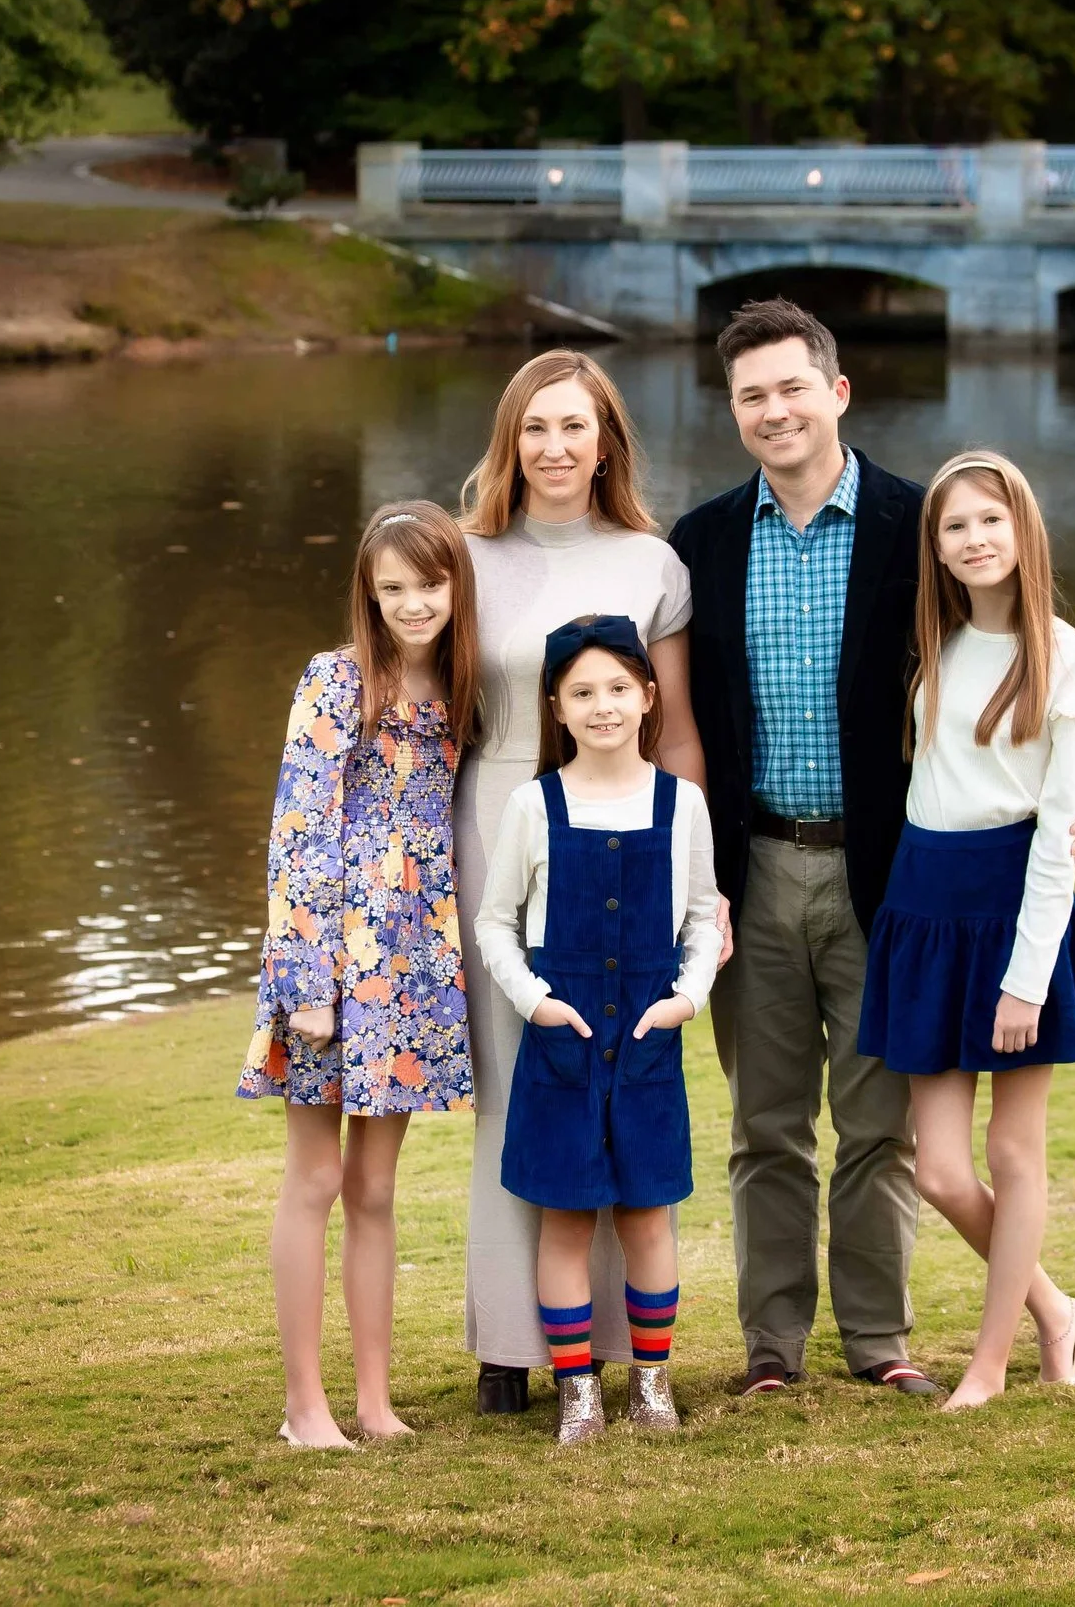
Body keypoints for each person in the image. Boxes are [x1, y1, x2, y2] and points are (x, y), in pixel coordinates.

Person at [669, 299, 1075, 1398]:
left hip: (887, 876)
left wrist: (1059, 797)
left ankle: (878, 1343)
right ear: (734, 410)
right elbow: (681, 718)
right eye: (751, 395)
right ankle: (770, 1351)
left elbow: (1019, 652)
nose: (773, 410)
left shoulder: (920, 524)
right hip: (750, 867)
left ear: (836, 391)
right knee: (765, 1125)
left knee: (877, 1126)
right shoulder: (702, 541)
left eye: (791, 387)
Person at [455, 350, 712, 1415]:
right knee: (522, 1089)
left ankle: (617, 1353)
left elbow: (681, 731)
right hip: (501, 822)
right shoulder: (463, 557)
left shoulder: (653, 563)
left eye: (575, 426)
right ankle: (511, 1344)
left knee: (622, 1081)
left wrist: (705, 889)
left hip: (635, 834)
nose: (555, 448)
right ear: (509, 442)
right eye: (534, 428)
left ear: (606, 438)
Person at [858, 450, 1075, 1410]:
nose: (974, 541)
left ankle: (989, 1364)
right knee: (936, 1169)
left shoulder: (1069, 660)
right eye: (954, 527)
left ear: (1024, 533)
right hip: (926, 903)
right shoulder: (931, 645)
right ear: (935, 546)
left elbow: (1062, 835)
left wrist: (1026, 978)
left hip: (1016, 909)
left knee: (1015, 1158)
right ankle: (1057, 1310)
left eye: (990, 523)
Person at [239, 501, 481, 1449]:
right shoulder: (337, 682)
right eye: (393, 589)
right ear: (368, 595)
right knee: (315, 1180)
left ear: (455, 584)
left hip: (415, 964)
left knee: (375, 1187)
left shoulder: (464, 690)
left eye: (428, 584)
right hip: (332, 959)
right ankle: (307, 1408)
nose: (413, 603)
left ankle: (375, 1404)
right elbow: (298, 831)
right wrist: (305, 983)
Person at [473, 615, 722, 1443]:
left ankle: (652, 1384)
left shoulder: (681, 803)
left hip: (649, 1035)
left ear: (649, 697)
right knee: (567, 1218)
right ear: (557, 706)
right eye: (583, 691)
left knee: (649, 1217)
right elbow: (494, 924)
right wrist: (536, 1001)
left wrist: (684, 1000)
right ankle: (577, 1390)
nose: (603, 705)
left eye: (619, 687)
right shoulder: (532, 806)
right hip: (563, 1040)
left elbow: (700, 922)